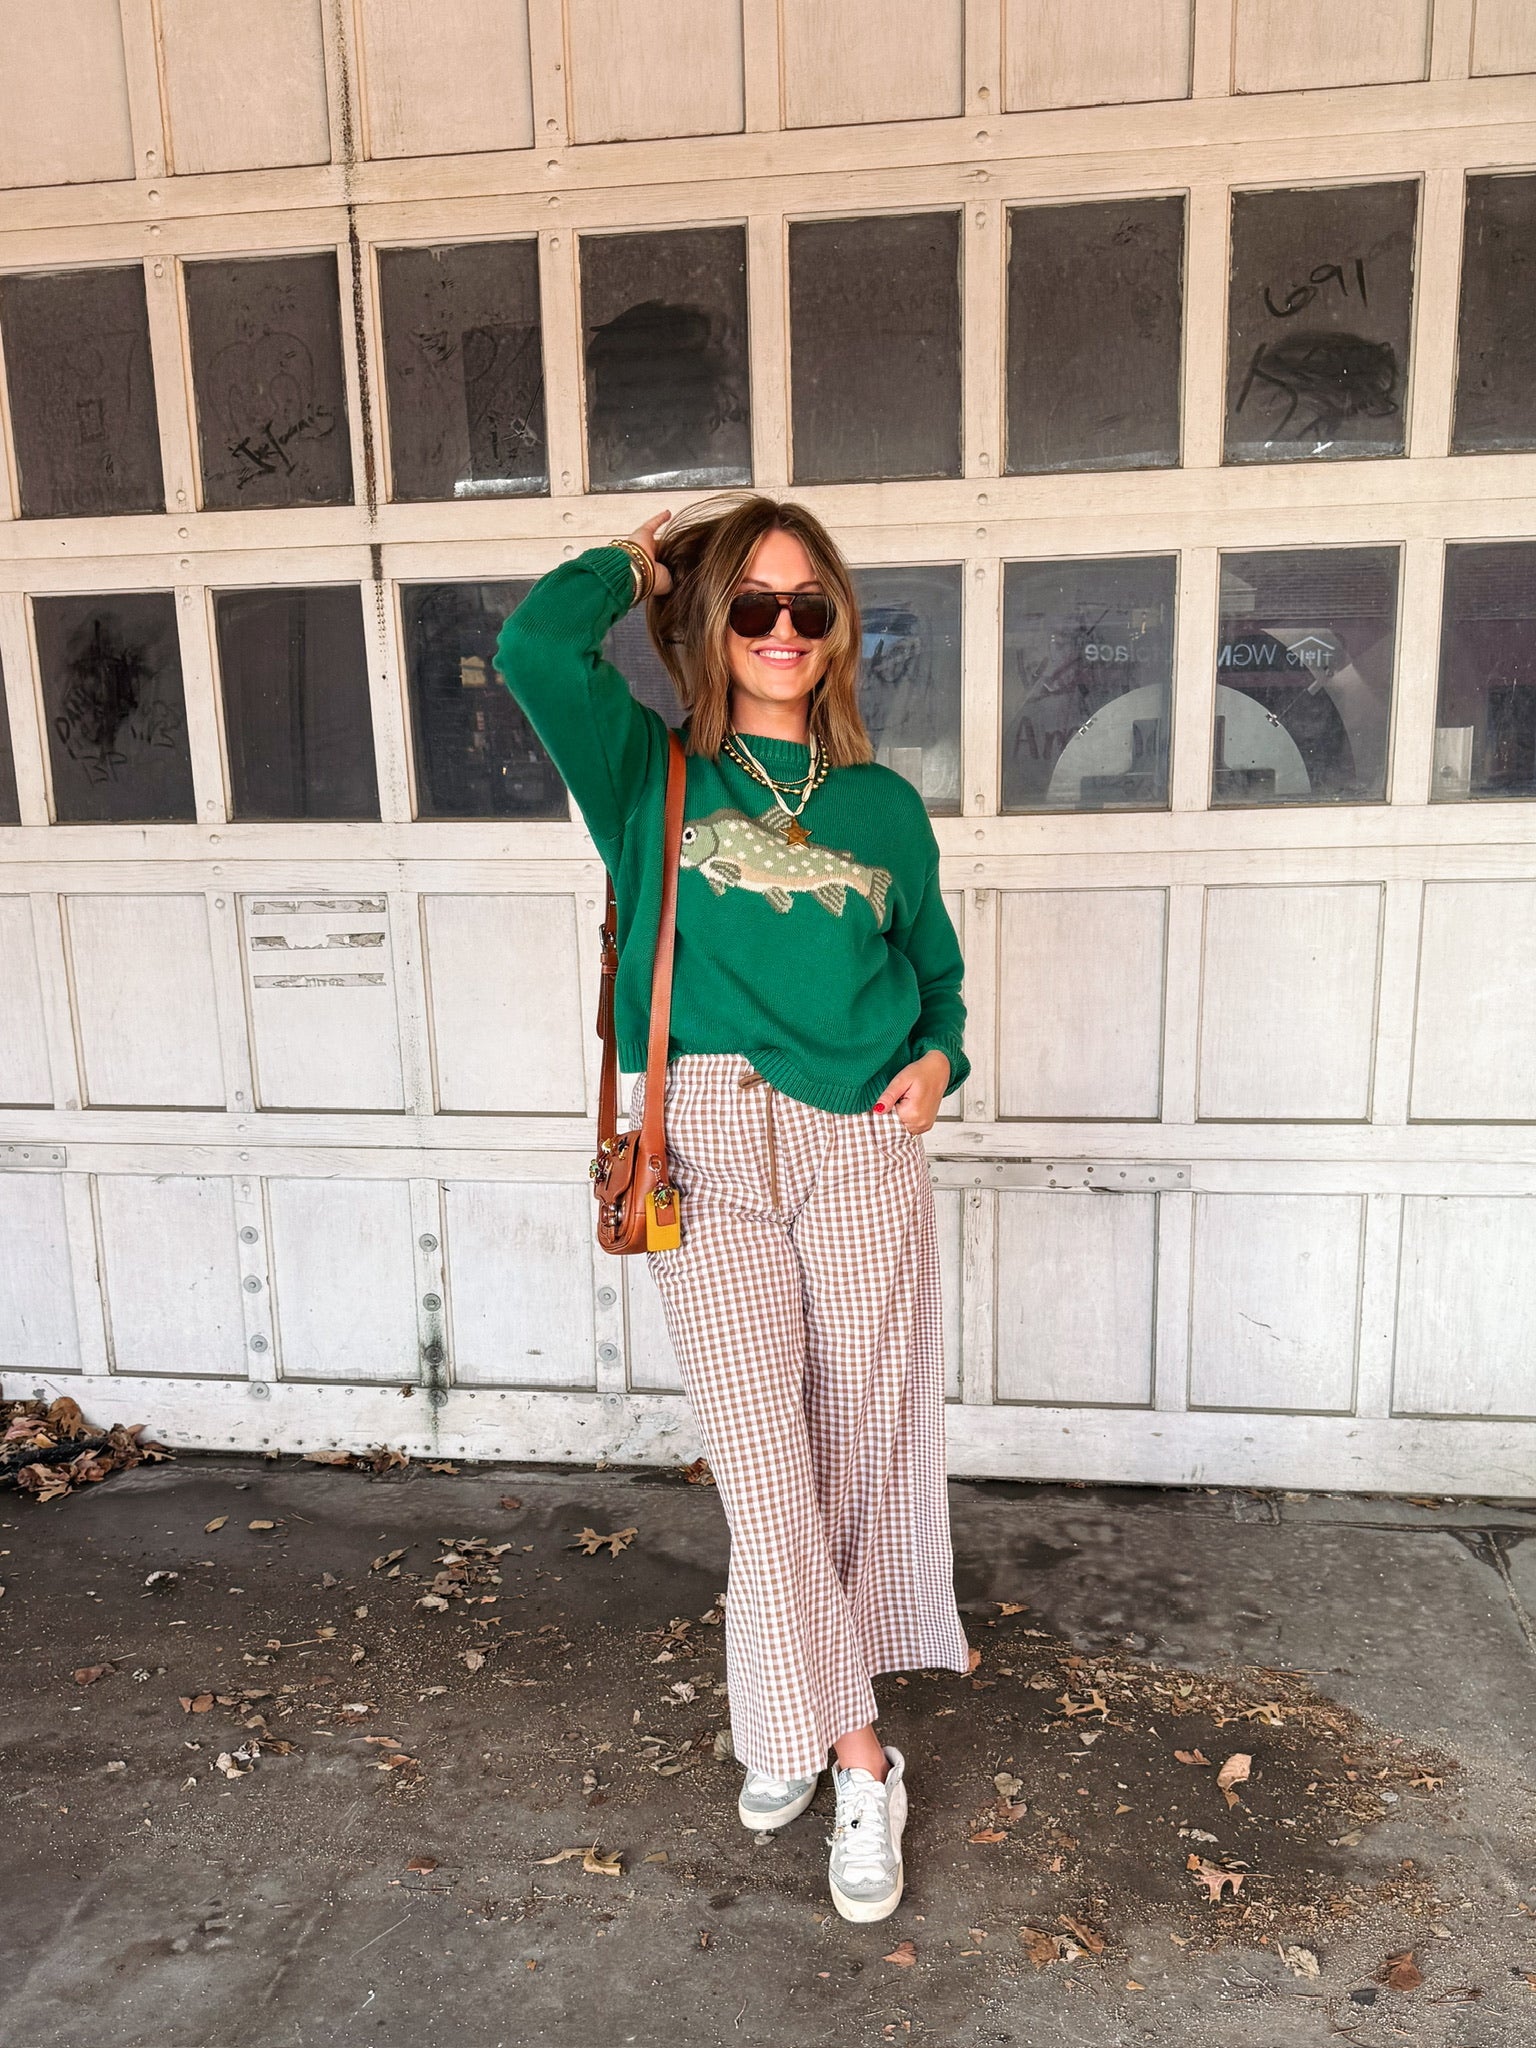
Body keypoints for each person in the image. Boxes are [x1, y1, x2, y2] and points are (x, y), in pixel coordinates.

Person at [494, 490, 973, 1923]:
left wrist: (940, 1063)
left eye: (807, 606)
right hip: (703, 1139)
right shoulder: (648, 773)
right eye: (751, 603)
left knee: (854, 1452)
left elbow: (936, 976)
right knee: (766, 1468)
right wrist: (638, 561)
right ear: (711, 621)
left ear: (837, 629)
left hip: (860, 1139)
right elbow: (533, 647)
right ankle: (858, 1754)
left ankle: (780, 1718)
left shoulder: (884, 808)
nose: (780, 629)